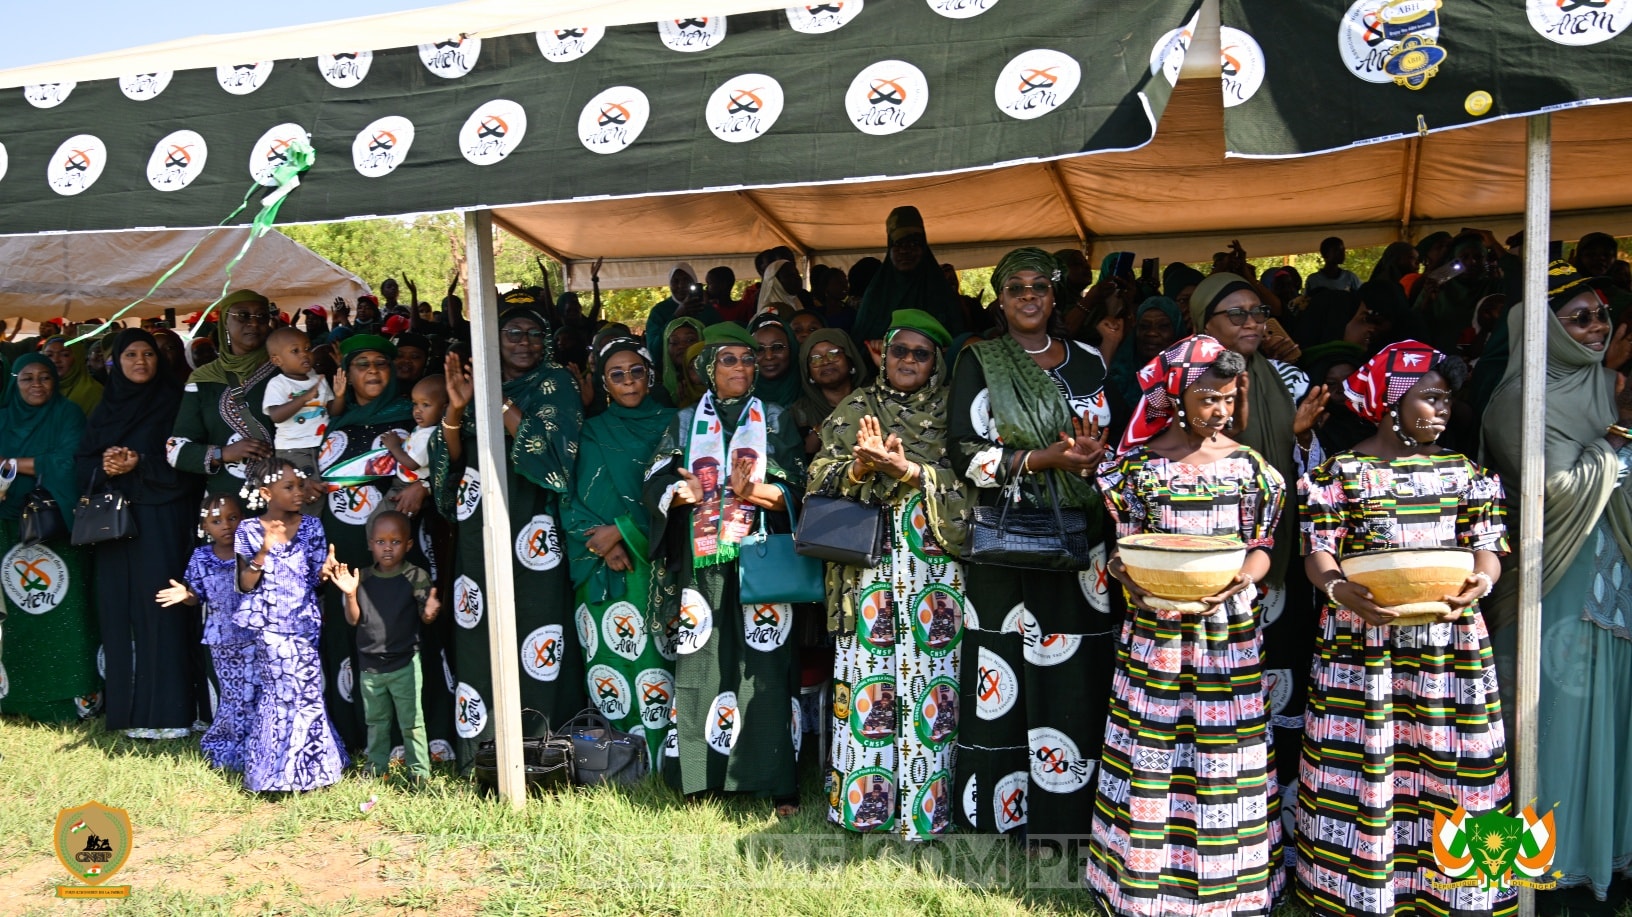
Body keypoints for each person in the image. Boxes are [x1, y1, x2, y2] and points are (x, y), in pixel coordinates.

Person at [1298, 342, 1512, 916]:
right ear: (1391, 401)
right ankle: (1365, 889)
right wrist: (1339, 590)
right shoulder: (1338, 475)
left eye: (1447, 399)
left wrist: (1480, 583)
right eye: (1430, 397)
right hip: (1364, 642)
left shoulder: (1466, 473)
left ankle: (1456, 890)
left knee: (1449, 755)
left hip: (1448, 643)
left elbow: (1487, 548)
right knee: (1368, 758)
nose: (1443, 410)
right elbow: (1318, 552)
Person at [1090, 336, 1285, 916]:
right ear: (1176, 396)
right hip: (1158, 633)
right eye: (1207, 399)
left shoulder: (1252, 470)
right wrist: (1133, 583)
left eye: (1228, 398)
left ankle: (1232, 885)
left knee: (1227, 749)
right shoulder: (1136, 469)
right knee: (1153, 745)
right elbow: (1124, 553)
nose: (1219, 411)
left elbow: (1262, 548)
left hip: (1227, 633)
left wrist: (1240, 581)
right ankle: (1145, 883)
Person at [948, 248, 1116, 838]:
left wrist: (1093, 462)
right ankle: (1003, 812)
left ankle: (1072, 815)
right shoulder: (981, 360)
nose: (1027, 295)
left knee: (1075, 671)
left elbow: (1115, 444)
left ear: (1054, 295)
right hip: (1010, 537)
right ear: (999, 298)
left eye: (1039, 285)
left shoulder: (1090, 360)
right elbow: (965, 455)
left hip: (1082, 541)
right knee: (1005, 673)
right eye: (1015, 286)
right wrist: (1046, 459)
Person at [1483, 263, 1632, 901]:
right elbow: (1555, 489)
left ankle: (1608, 853)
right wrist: (1616, 433)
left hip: (1614, 573)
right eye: (1579, 319)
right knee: (1560, 716)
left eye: (1601, 316)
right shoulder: (1518, 401)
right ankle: (1550, 864)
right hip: (1557, 577)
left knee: (1612, 711)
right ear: (1543, 329)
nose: (1597, 328)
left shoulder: (1607, 383)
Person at [808, 309, 972, 840]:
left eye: (920, 354)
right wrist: (859, 467)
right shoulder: (859, 407)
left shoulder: (956, 411)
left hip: (936, 568)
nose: (907, 361)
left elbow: (977, 480)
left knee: (933, 684)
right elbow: (817, 477)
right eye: (899, 350)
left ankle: (928, 810)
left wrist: (910, 471)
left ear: (936, 363)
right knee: (869, 678)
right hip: (868, 568)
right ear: (884, 356)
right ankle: (865, 809)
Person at [643, 323, 805, 814]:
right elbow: (653, 482)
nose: (742, 367)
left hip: (760, 559)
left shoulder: (774, 419)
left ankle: (775, 779)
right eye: (729, 359)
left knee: (764, 667)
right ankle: (702, 777)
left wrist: (753, 492)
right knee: (703, 664)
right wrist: (680, 494)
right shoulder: (683, 421)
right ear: (709, 368)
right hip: (703, 564)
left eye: (748, 359)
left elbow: (798, 489)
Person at [1188, 271, 1327, 811]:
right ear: (1205, 323)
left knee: (1280, 678)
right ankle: (1215, 805)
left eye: (1259, 313)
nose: (1252, 323)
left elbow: (1313, 476)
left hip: (1279, 560)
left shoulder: (1288, 378)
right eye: (1237, 314)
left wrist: (1301, 437)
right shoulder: (1184, 378)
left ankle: (1276, 813)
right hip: (1210, 561)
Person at [431, 303, 587, 767]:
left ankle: (545, 746)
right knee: (479, 628)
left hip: (535, 522)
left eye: (534, 334)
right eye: (513, 333)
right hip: (479, 522)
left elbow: (553, 459)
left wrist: (496, 399)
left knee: (539, 625)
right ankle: (482, 750)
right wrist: (458, 408)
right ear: (494, 341)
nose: (524, 342)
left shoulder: (556, 383)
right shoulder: (475, 384)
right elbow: (451, 459)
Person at [564, 337, 677, 764]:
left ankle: (666, 760)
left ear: (650, 376)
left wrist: (623, 532)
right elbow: (569, 495)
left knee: (659, 660)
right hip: (600, 565)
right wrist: (603, 541)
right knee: (612, 661)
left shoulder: (675, 424)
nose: (628, 380)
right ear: (604, 384)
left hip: (656, 562)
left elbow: (679, 491)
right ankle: (618, 762)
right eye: (617, 374)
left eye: (636, 371)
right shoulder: (591, 431)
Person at [79, 329, 195, 740]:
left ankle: (171, 711)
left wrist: (140, 463)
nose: (140, 361)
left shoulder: (174, 401)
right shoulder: (106, 407)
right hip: (114, 526)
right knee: (120, 609)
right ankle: (128, 711)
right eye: (130, 354)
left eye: (148, 353)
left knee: (161, 608)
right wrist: (105, 466)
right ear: (116, 362)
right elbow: (82, 462)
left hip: (161, 520)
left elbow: (188, 461)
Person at [314, 335, 424, 753]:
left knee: (394, 628)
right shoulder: (332, 420)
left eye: (381, 363)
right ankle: (353, 733)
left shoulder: (411, 415)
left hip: (392, 548)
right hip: (341, 546)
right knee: (347, 629)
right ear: (346, 374)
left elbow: (433, 467)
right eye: (363, 364)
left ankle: (403, 740)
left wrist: (424, 486)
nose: (374, 371)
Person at [236, 457, 350, 792]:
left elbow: (314, 579)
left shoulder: (312, 526)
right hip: (269, 627)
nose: (299, 492)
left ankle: (315, 770)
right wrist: (262, 552)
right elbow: (244, 584)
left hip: (304, 623)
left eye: (300, 485)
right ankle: (274, 774)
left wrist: (325, 572)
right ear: (266, 493)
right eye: (289, 487)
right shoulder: (248, 529)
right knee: (281, 694)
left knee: (308, 692)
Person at [0, 354, 99, 723]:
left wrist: (10, 464)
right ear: (15, 382)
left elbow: (70, 461)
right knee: (17, 615)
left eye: (44, 376)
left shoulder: (67, 414)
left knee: (63, 612)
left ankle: (69, 696)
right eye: (27, 378)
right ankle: (15, 696)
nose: (37, 384)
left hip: (57, 527)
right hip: (7, 528)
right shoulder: (2, 418)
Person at [333, 510, 440, 783]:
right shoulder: (362, 578)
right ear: (370, 544)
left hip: (405, 664)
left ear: (409, 544)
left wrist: (430, 611)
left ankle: (419, 775)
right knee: (376, 724)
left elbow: (426, 617)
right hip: (370, 667)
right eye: (381, 541)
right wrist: (350, 594)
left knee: (412, 723)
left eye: (395, 541)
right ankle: (375, 769)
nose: (388, 547)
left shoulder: (416, 576)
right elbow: (353, 620)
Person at [157, 494, 255, 771]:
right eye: (216, 521)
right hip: (222, 639)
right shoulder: (201, 557)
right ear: (204, 527)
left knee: (257, 692)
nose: (226, 525)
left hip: (255, 637)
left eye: (233, 518)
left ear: (243, 519)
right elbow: (195, 595)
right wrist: (185, 595)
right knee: (234, 695)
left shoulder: (252, 552)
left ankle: (258, 745)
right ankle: (232, 746)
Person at [169, 290, 277, 497]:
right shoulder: (203, 380)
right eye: (243, 316)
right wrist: (223, 453)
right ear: (225, 321)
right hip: (225, 507)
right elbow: (176, 450)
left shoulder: (288, 373)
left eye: (262, 316)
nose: (254, 323)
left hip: (284, 503)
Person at [852, 206, 964, 352]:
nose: (905, 251)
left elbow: (959, 344)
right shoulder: (877, 295)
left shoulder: (941, 291)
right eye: (898, 244)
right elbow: (860, 346)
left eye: (913, 243)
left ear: (923, 247)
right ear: (890, 248)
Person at [262, 326, 343, 487]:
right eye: (295, 351)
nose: (305, 354)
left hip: (323, 445)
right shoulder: (278, 384)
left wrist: (340, 396)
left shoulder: (318, 380)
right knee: (305, 491)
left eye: (307, 348)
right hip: (294, 449)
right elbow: (276, 415)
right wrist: (304, 398)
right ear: (277, 360)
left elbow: (333, 412)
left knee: (326, 487)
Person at [793, 328, 868, 457]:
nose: (825, 361)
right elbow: (800, 455)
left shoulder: (871, 399)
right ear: (808, 372)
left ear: (850, 360)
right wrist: (821, 429)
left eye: (833, 353)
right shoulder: (801, 411)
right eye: (815, 358)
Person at [1104, 296, 1183, 411]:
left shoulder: (1188, 378)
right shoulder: (1120, 373)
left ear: (1176, 331)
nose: (1152, 333)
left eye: (1163, 327)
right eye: (1144, 326)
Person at [644, 263, 721, 377]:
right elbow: (654, 349)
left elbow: (719, 341)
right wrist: (676, 315)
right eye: (675, 281)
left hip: (704, 373)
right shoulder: (659, 311)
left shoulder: (707, 310)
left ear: (694, 282)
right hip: (670, 375)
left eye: (686, 280)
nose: (681, 285)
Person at [746, 314, 801, 409]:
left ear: (792, 349)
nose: (769, 356)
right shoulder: (737, 397)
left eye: (777, 347)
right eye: (759, 349)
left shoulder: (812, 394)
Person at [39, 335, 103, 417]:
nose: (55, 360)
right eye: (49, 355)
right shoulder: (37, 389)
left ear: (77, 358)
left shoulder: (94, 393)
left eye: (64, 355)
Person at [660, 317, 706, 409]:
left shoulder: (718, 384)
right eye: (674, 342)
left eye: (690, 340)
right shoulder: (661, 391)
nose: (681, 346)